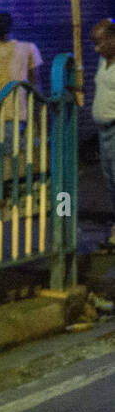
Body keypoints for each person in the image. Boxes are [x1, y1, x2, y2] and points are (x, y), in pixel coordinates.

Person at [0, 13, 41, 127]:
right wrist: (37, 117)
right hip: (18, 114)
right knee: (16, 144)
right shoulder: (28, 48)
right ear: (12, 26)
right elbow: (35, 84)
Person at [91, 18, 115, 251]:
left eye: (100, 43)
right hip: (104, 132)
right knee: (111, 181)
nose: (96, 49)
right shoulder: (103, 61)